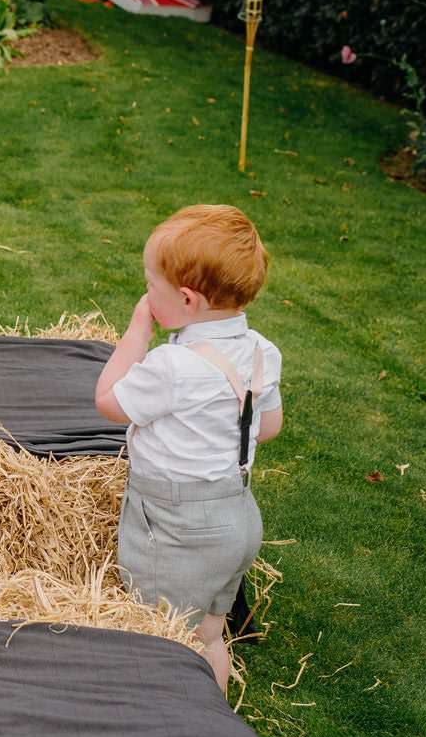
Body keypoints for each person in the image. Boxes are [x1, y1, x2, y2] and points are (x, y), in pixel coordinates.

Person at [93, 204, 284, 693]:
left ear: (184, 298)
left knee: (160, 638)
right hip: (237, 518)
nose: (145, 294)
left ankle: (167, 721)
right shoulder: (264, 351)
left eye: (149, 285)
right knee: (207, 635)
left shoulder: (173, 364)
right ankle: (213, 717)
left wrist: (138, 331)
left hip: (175, 525)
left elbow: (109, 402)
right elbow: (266, 428)